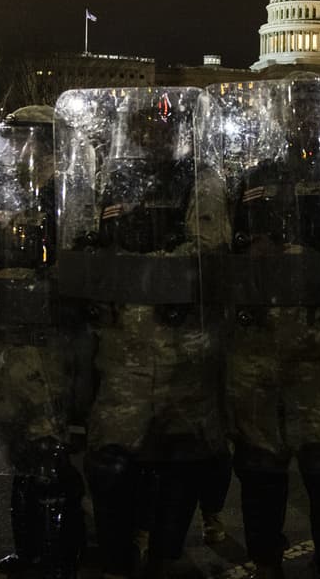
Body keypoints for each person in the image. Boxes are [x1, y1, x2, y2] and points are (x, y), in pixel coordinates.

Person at [214, 74, 320, 579]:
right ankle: (265, 561)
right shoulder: (254, 177)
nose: (304, 118)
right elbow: (222, 254)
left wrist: (299, 256)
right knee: (259, 470)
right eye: (296, 110)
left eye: (313, 109)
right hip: (259, 346)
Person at [55, 88, 230, 578]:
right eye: (140, 126)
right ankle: (118, 555)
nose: (149, 134)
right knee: (109, 461)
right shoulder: (116, 182)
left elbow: (206, 251)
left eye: (160, 125)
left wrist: (129, 269)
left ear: (177, 131)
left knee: (181, 457)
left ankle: (165, 554)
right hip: (122, 350)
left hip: (179, 349)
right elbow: (93, 248)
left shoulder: (199, 178)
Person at [0, 105, 83, 578]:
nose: (15, 151)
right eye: (12, 142)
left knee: (49, 454)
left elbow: (66, 278)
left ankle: (57, 558)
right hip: (8, 346)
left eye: (24, 141)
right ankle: (30, 550)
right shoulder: (14, 196)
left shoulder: (67, 199)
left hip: (46, 349)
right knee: (19, 451)